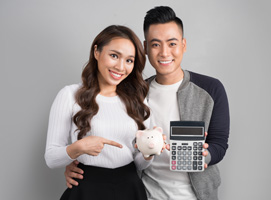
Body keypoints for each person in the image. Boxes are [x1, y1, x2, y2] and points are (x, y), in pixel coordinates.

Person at [64, 6, 230, 200]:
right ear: (144, 48)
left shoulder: (210, 89)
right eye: (155, 44)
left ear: (183, 45)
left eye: (172, 43)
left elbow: (219, 143)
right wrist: (76, 165)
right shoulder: (133, 93)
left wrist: (204, 157)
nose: (164, 53)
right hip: (145, 193)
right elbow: (110, 139)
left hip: (198, 195)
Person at [44, 25, 155, 200]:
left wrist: (149, 153)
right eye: (114, 56)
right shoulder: (69, 95)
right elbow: (51, 158)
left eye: (129, 60)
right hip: (87, 187)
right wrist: (79, 147)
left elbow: (139, 164)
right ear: (96, 52)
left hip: (129, 187)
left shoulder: (138, 100)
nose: (120, 67)